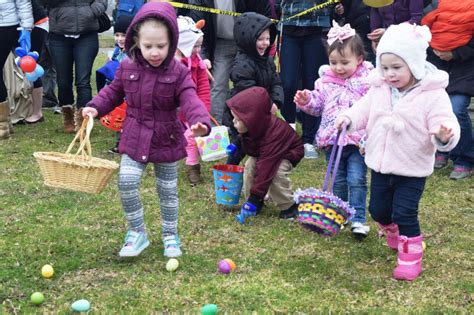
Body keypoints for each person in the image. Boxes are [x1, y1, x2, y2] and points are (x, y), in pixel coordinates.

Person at [82, 2, 211, 258]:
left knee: (168, 190)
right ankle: (137, 232)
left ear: (172, 42)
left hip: (166, 137)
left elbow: (191, 98)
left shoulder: (179, 71)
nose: (154, 52)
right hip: (135, 134)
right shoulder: (127, 67)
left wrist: (200, 121)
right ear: (136, 42)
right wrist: (95, 107)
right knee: (127, 181)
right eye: (148, 46)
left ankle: (170, 235)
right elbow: (112, 92)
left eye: (161, 46)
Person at [335, 23, 460, 281]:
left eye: (397, 67)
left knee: (405, 212)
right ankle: (392, 232)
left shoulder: (432, 94)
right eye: (385, 67)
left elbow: (443, 120)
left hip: (412, 168)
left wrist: (442, 135)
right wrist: (348, 118)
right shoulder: (380, 88)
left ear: (414, 64)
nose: (390, 74)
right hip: (381, 164)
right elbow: (363, 109)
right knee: (379, 211)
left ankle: (410, 258)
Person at [294, 21, 373, 239]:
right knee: (337, 179)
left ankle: (358, 218)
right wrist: (306, 100)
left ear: (359, 59)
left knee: (356, 179)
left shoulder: (368, 82)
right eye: (333, 62)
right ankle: (340, 214)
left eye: (344, 62)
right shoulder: (325, 82)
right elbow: (317, 106)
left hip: (358, 140)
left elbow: (374, 107)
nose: (338, 67)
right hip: (332, 138)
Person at [227, 87, 304, 222]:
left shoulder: (274, 134)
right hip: (264, 150)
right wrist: (236, 145)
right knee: (250, 165)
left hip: (287, 151)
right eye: (234, 118)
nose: (233, 123)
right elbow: (245, 137)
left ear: (252, 120)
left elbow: (265, 169)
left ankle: (288, 206)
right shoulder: (255, 126)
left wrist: (254, 198)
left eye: (237, 120)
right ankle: (255, 203)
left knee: (275, 172)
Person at [189, 0, 271, 124]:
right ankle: (216, 128)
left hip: (246, 42)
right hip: (220, 43)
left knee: (251, 84)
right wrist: (203, 56)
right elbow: (199, 29)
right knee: (218, 85)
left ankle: (252, 125)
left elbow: (263, 13)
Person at [422, 0, 474, 180]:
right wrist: (434, 48)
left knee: (456, 108)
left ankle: (465, 159)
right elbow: (424, 28)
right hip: (438, 64)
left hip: (466, 67)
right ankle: (442, 148)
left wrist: (456, 53)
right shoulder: (437, 3)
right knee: (435, 107)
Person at [277, 0, 335, 159]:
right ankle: (287, 135)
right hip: (288, 28)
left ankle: (308, 139)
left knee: (313, 84)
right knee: (287, 84)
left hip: (316, 29)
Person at [224, 12, 283, 165]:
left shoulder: (269, 61)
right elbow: (247, 89)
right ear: (247, 39)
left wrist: (276, 101)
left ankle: (259, 170)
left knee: (262, 142)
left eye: (268, 39)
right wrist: (266, 104)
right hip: (242, 114)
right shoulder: (242, 63)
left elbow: (276, 82)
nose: (265, 43)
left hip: (262, 113)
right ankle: (230, 169)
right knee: (241, 143)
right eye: (260, 39)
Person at [41, 0, 107, 133]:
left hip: (87, 34)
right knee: (63, 81)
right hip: (59, 35)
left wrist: (91, 11)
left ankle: (83, 120)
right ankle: (68, 116)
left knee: (83, 80)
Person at [175, 15, 211, 185]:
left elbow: (203, 87)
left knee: (191, 137)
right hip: (173, 111)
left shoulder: (198, 63)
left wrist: (203, 109)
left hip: (192, 108)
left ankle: (193, 168)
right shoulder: (170, 64)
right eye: (194, 45)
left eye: (200, 46)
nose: (198, 50)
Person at [95, 14, 133, 154]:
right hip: (117, 90)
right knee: (119, 117)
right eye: (117, 35)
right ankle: (119, 144)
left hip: (129, 91)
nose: (120, 39)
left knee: (128, 118)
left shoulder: (134, 52)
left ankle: (127, 143)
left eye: (124, 35)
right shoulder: (117, 51)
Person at [0, 0, 33, 140]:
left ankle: (3, 125)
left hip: (6, 25)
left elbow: (23, 2)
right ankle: (4, 122)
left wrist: (26, 28)